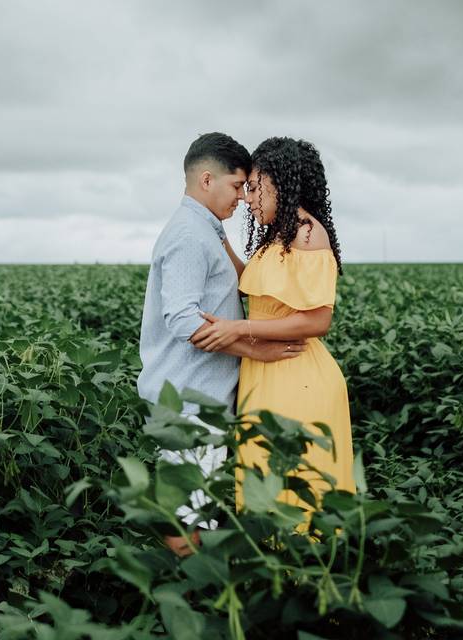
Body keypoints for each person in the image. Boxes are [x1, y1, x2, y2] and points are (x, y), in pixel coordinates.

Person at [136, 132, 307, 557]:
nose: (243, 197)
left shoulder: (205, 229)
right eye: (237, 186)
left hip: (199, 395)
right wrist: (253, 347)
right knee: (187, 510)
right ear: (207, 180)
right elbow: (182, 318)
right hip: (188, 398)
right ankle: (189, 602)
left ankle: (196, 596)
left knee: (198, 505)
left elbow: (245, 281)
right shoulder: (190, 236)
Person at [191, 136, 356, 537]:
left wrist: (239, 327)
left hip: (296, 375)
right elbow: (253, 285)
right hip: (265, 372)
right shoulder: (277, 237)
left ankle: (308, 586)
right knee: (265, 480)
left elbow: (316, 320)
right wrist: (216, 236)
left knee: (299, 487)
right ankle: (274, 582)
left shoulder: (306, 233)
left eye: (255, 186)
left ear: (281, 182)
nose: (248, 198)